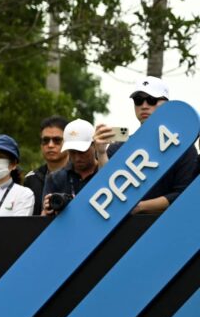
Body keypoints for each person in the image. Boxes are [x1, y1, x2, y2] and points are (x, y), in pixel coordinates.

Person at [96, 76, 198, 214]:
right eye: (138, 100)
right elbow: (103, 189)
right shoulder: (118, 147)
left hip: (166, 223)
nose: (144, 106)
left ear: (167, 104)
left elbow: (184, 193)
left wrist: (140, 207)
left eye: (152, 100)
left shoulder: (183, 147)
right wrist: (101, 153)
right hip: (123, 226)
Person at [42, 119, 101, 216]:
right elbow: (43, 219)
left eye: (82, 152)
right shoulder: (55, 178)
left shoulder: (105, 171)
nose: (77, 158)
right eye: (72, 152)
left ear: (94, 145)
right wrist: (46, 211)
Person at [23, 116, 70, 216]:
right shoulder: (31, 179)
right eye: (45, 140)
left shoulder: (81, 174)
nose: (50, 145)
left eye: (57, 140)